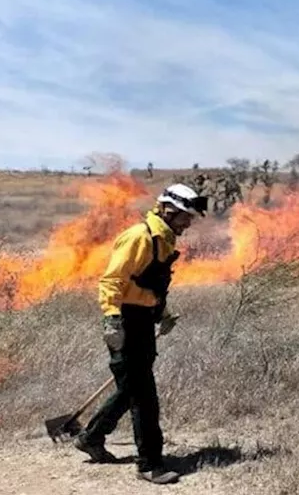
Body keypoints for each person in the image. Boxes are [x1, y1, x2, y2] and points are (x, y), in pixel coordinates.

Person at [73, 183, 207, 485]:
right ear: (167, 211)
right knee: (144, 396)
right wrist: (112, 321)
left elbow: (150, 283)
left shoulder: (165, 240)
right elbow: (112, 281)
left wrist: (162, 313)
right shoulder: (140, 237)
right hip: (126, 321)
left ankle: (90, 437)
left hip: (143, 319)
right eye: (185, 216)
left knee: (131, 388)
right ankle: (150, 464)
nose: (188, 223)